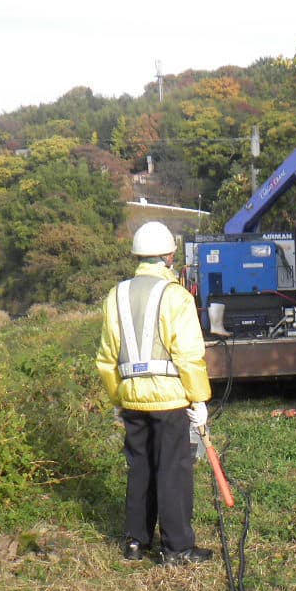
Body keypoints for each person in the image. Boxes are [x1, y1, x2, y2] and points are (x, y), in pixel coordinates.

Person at [95, 221, 214, 566]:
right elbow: (189, 355)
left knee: (140, 467)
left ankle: (136, 543)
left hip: (132, 397)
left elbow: (106, 357)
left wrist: (118, 397)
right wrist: (199, 399)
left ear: (137, 255)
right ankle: (177, 548)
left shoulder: (115, 295)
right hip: (170, 400)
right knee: (173, 470)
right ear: (170, 255)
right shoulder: (176, 295)